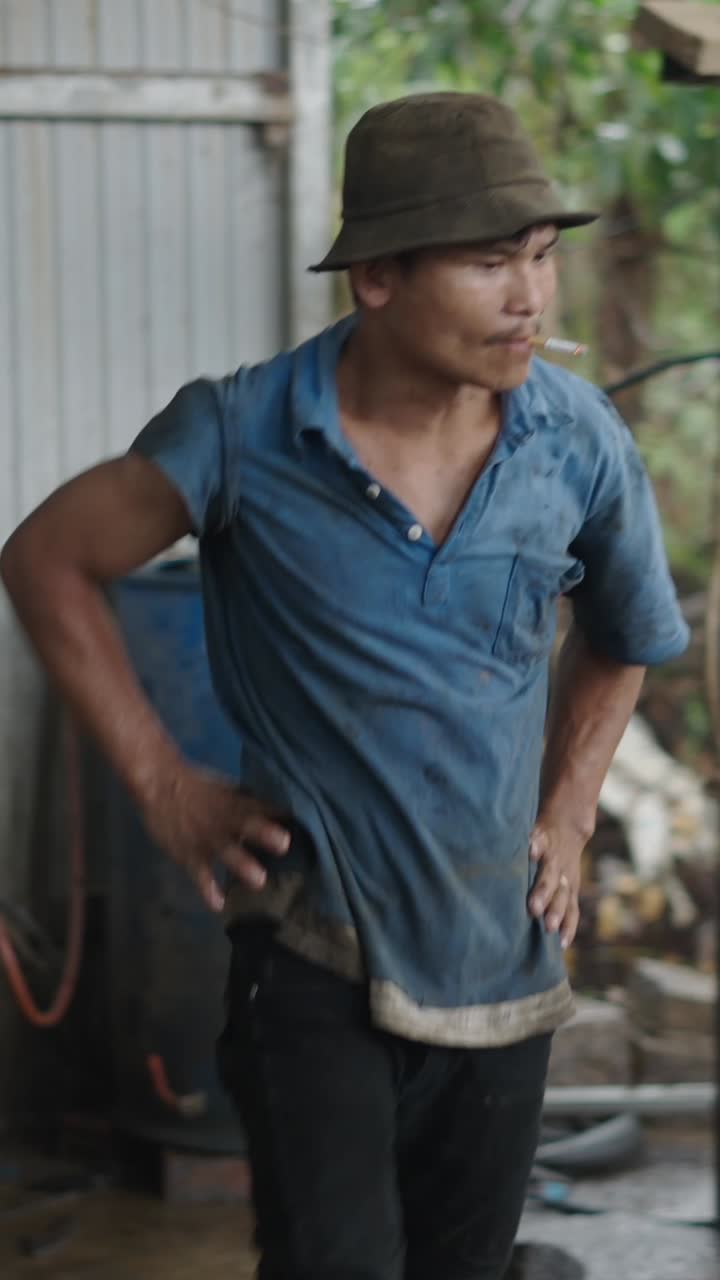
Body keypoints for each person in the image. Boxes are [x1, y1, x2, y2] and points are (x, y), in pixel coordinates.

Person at [0, 93, 688, 1280]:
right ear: (376, 277)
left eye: (541, 257)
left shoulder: (577, 441)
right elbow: (47, 558)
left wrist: (570, 812)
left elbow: (624, 633)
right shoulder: (245, 433)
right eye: (488, 264)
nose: (532, 297)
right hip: (317, 954)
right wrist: (163, 782)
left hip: (505, 964)